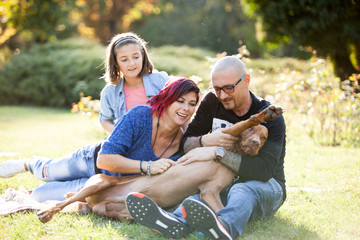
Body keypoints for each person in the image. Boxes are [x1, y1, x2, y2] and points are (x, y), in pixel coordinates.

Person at [126, 56, 286, 240]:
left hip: (266, 187)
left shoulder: (269, 115)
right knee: (198, 198)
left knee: (240, 191)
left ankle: (224, 227)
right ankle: (174, 223)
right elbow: (186, 143)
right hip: (224, 182)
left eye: (229, 88)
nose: (223, 95)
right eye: (217, 89)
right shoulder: (213, 102)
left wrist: (219, 153)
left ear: (246, 81)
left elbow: (264, 171)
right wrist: (205, 141)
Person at [0, 32, 169, 201]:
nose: (131, 63)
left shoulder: (159, 81)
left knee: (42, 195)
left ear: (143, 56)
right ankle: (28, 163)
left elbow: (177, 108)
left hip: (112, 171)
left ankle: (29, 193)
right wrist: (120, 132)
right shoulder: (111, 91)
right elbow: (105, 119)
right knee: (48, 172)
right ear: (116, 63)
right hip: (94, 157)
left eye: (136, 57)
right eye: (124, 59)